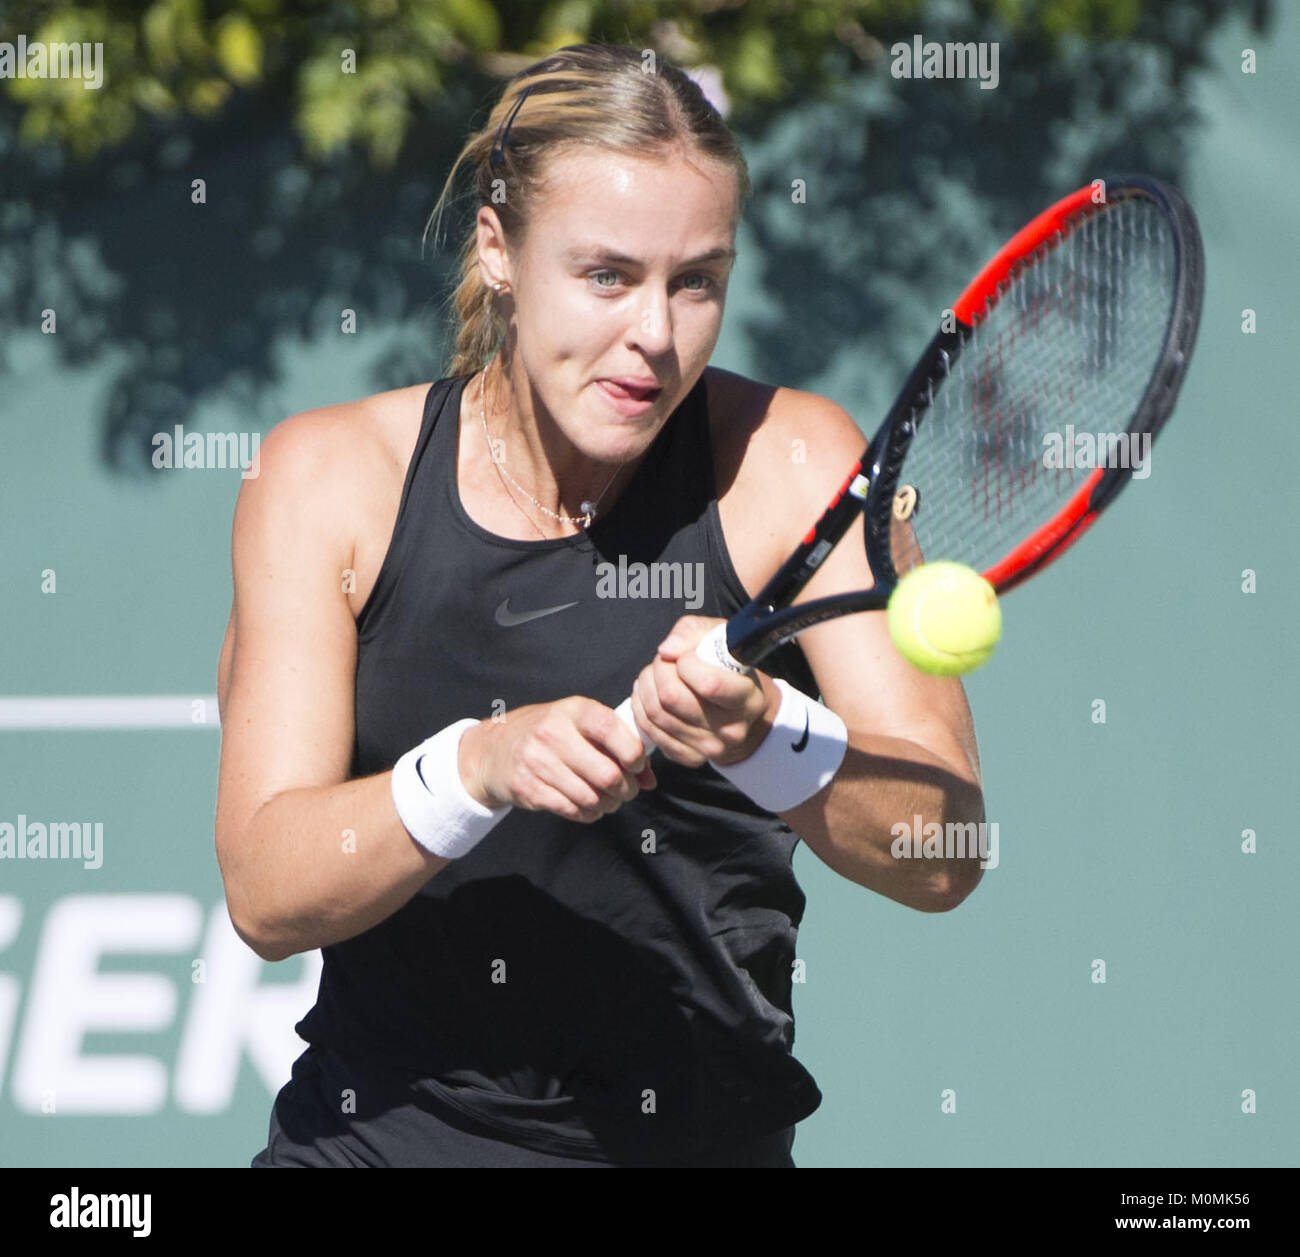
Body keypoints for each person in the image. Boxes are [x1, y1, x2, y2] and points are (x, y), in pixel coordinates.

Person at [216, 42, 986, 1169]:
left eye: (697, 280)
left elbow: (946, 848)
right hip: (376, 1143)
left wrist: (772, 739)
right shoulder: (327, 479)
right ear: (498, 253)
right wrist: (473, 768)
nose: (655, 337)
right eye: (608, 275)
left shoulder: (794, 465)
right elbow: (267, 891)